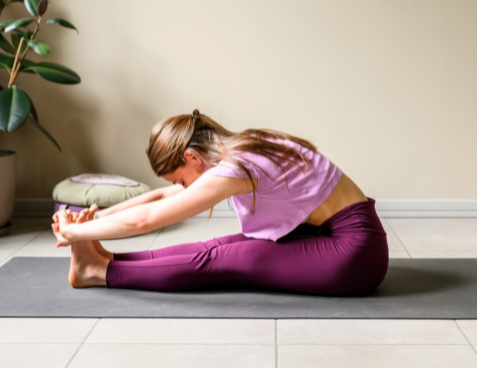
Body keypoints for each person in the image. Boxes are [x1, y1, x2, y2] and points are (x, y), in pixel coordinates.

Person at [52, 110, 389, 295]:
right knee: (218, 246)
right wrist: (94, 219)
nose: (183, 188)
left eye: (181, 179)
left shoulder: (237, 167)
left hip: (355, 253)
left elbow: (148, 219)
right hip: (336, 236)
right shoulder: (239, 150)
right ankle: (106, 259)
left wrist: (73, 235)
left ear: (191, 157)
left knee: (220, 259)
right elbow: (159, 197)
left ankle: (98, 271)